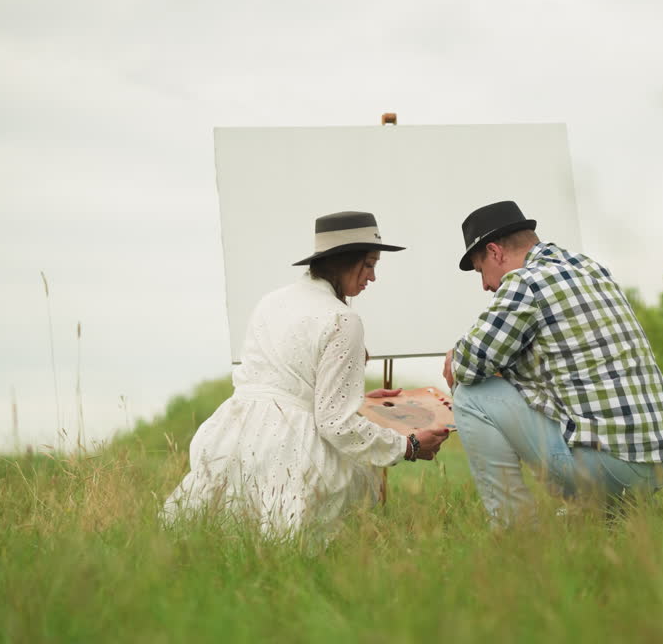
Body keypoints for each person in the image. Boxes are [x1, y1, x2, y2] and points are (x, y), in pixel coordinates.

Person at [165, 211, 451, 537]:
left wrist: (358, 400)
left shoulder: (271, 301)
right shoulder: (343, 319)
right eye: (369, 264)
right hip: (290, 449)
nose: (372, 277)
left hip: (234, 435)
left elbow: (291, 383)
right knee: (287, 554)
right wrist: (408, 445)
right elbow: (334, 423)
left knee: (218, 543)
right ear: (345, 260)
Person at [443, 201, 663, 525]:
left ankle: (516, 530)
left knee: (471, 396)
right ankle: (613, 517)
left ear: (495, 252)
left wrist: (454, 357)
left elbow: (467, 365)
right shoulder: (591, 269)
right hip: (659, 466)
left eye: (481, 271)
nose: (485, 285)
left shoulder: (525, 282)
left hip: (611, 469)